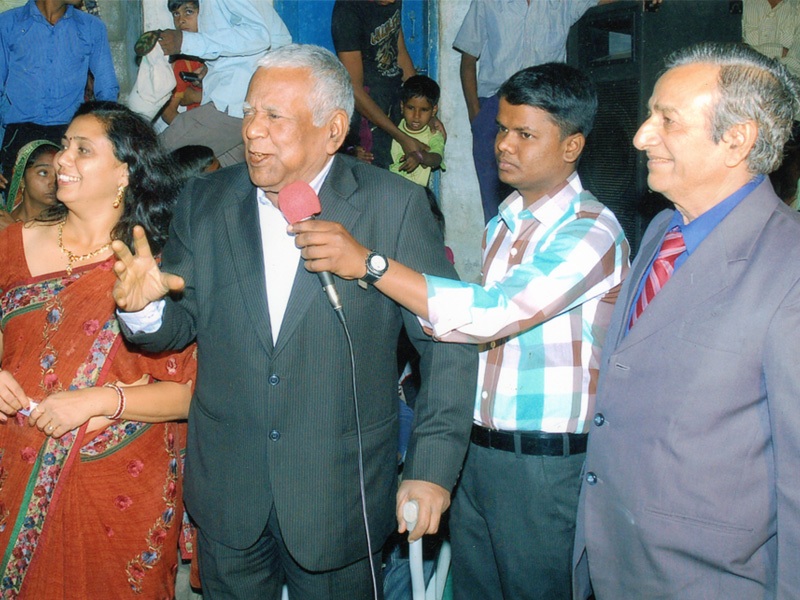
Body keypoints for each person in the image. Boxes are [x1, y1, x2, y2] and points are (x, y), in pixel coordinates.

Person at [111, 44, 477, 599]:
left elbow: (448, 344)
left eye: (274, 116)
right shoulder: (206, 200)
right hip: (230, 496)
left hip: (340, 496)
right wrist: (143, 310)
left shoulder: (393, 206)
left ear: (333, 129)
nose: (253, 131)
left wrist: (430, 468)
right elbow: (179, 326)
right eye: (250, 111)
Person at [292, 62, 630, 600]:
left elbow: (492, 313)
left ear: (571, 146)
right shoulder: (506, 221)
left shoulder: (593, 230)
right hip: (481, 455)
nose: (503, 145)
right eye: (501, 129)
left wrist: (371, 265)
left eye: (525, 134)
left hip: (546, 467)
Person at [572, 42, 800, 598]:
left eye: (666, 120)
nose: (641, 135)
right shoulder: (662, 232)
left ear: (736, 140)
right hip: (612, 559)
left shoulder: (789, 267)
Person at [0, 101, 196, 598]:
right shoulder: (10, 244)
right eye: (65, 146)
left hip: (117, 488)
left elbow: (191, 393)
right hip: (13, 466)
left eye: (82, 150)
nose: (64, 159)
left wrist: (101, 400)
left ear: (125, 174)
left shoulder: (159, 263)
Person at [454, 0, 625, 222]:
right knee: (495, 197)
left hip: (548, 112)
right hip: (498, 109)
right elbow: (468, 58)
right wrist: (476, 113)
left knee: (550, 193)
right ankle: (502, 253)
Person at [156, 0, 291, 167]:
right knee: (225, 181)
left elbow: (259, 36)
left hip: (233, 100)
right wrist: (210, 68)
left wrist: (185, 42)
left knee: (155, 157)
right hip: (247, 104)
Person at [0, 0, 119, 185]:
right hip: (19, 136)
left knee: (68, 207)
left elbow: (108, 90)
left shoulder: (91, 27)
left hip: (70, 137)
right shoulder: (8, 24)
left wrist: (109, 143)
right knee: (18, 210)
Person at [332, 0, 425, 169]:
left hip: (394, 96)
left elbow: (400, 52)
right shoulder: (347, 13)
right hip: (368, 110)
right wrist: (401, 137)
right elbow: (355, 90)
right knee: (377, 179)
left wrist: (425, 103)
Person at [388, 75, 445, 187]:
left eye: (424, 110)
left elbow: (437, 158)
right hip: (389, 189)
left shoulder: (433, 135)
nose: (416, 116)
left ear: (434, 110)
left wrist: (420, 156)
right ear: (402, 106)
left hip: (416, 195)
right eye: (410, 108)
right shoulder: (394, 127)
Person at [159, 0, 205, 127]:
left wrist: (198, 95)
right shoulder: (183, 61)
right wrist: (192, 132)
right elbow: (168, 112)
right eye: (176, 14)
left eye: (189, 12)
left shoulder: (227, 50)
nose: (181, 20)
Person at [0, 139, 58, 230]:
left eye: (59, 174)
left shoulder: (64, 226)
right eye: (43, 173)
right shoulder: (3, 217)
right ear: (22, 179)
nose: (54, 182)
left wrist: (14, 231)